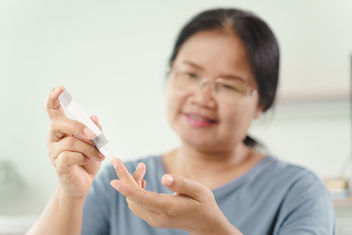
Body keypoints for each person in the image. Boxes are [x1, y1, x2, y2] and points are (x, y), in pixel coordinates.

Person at [26, 8, 335, 235]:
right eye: (190, 74)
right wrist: (70, 195)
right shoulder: (116, 186)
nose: (202, 97)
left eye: (227, 85)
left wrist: (210, 228)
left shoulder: (300, 191)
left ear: (261, 102)